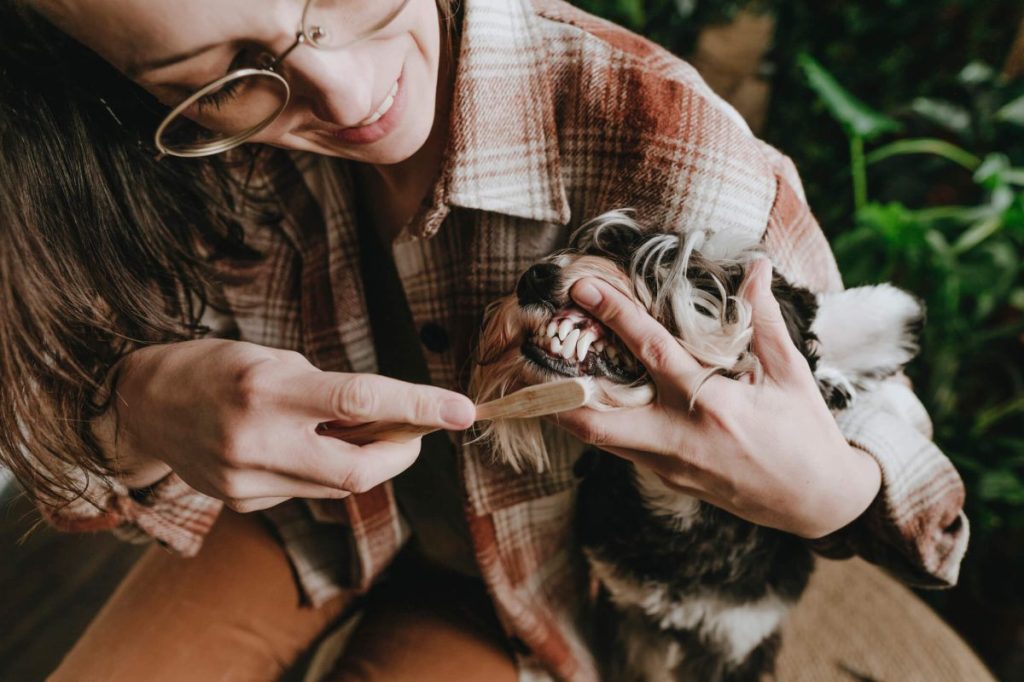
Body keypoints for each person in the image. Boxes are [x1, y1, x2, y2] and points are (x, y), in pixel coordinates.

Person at [0, 0, 974, 680]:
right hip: (290, 518)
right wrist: (138, 399)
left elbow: (882, 429)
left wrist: (829, 493)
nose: (343, 96)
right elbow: (54, 420)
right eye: (215, 77)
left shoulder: (678, 149)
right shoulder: (121, 153)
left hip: (533, 591)